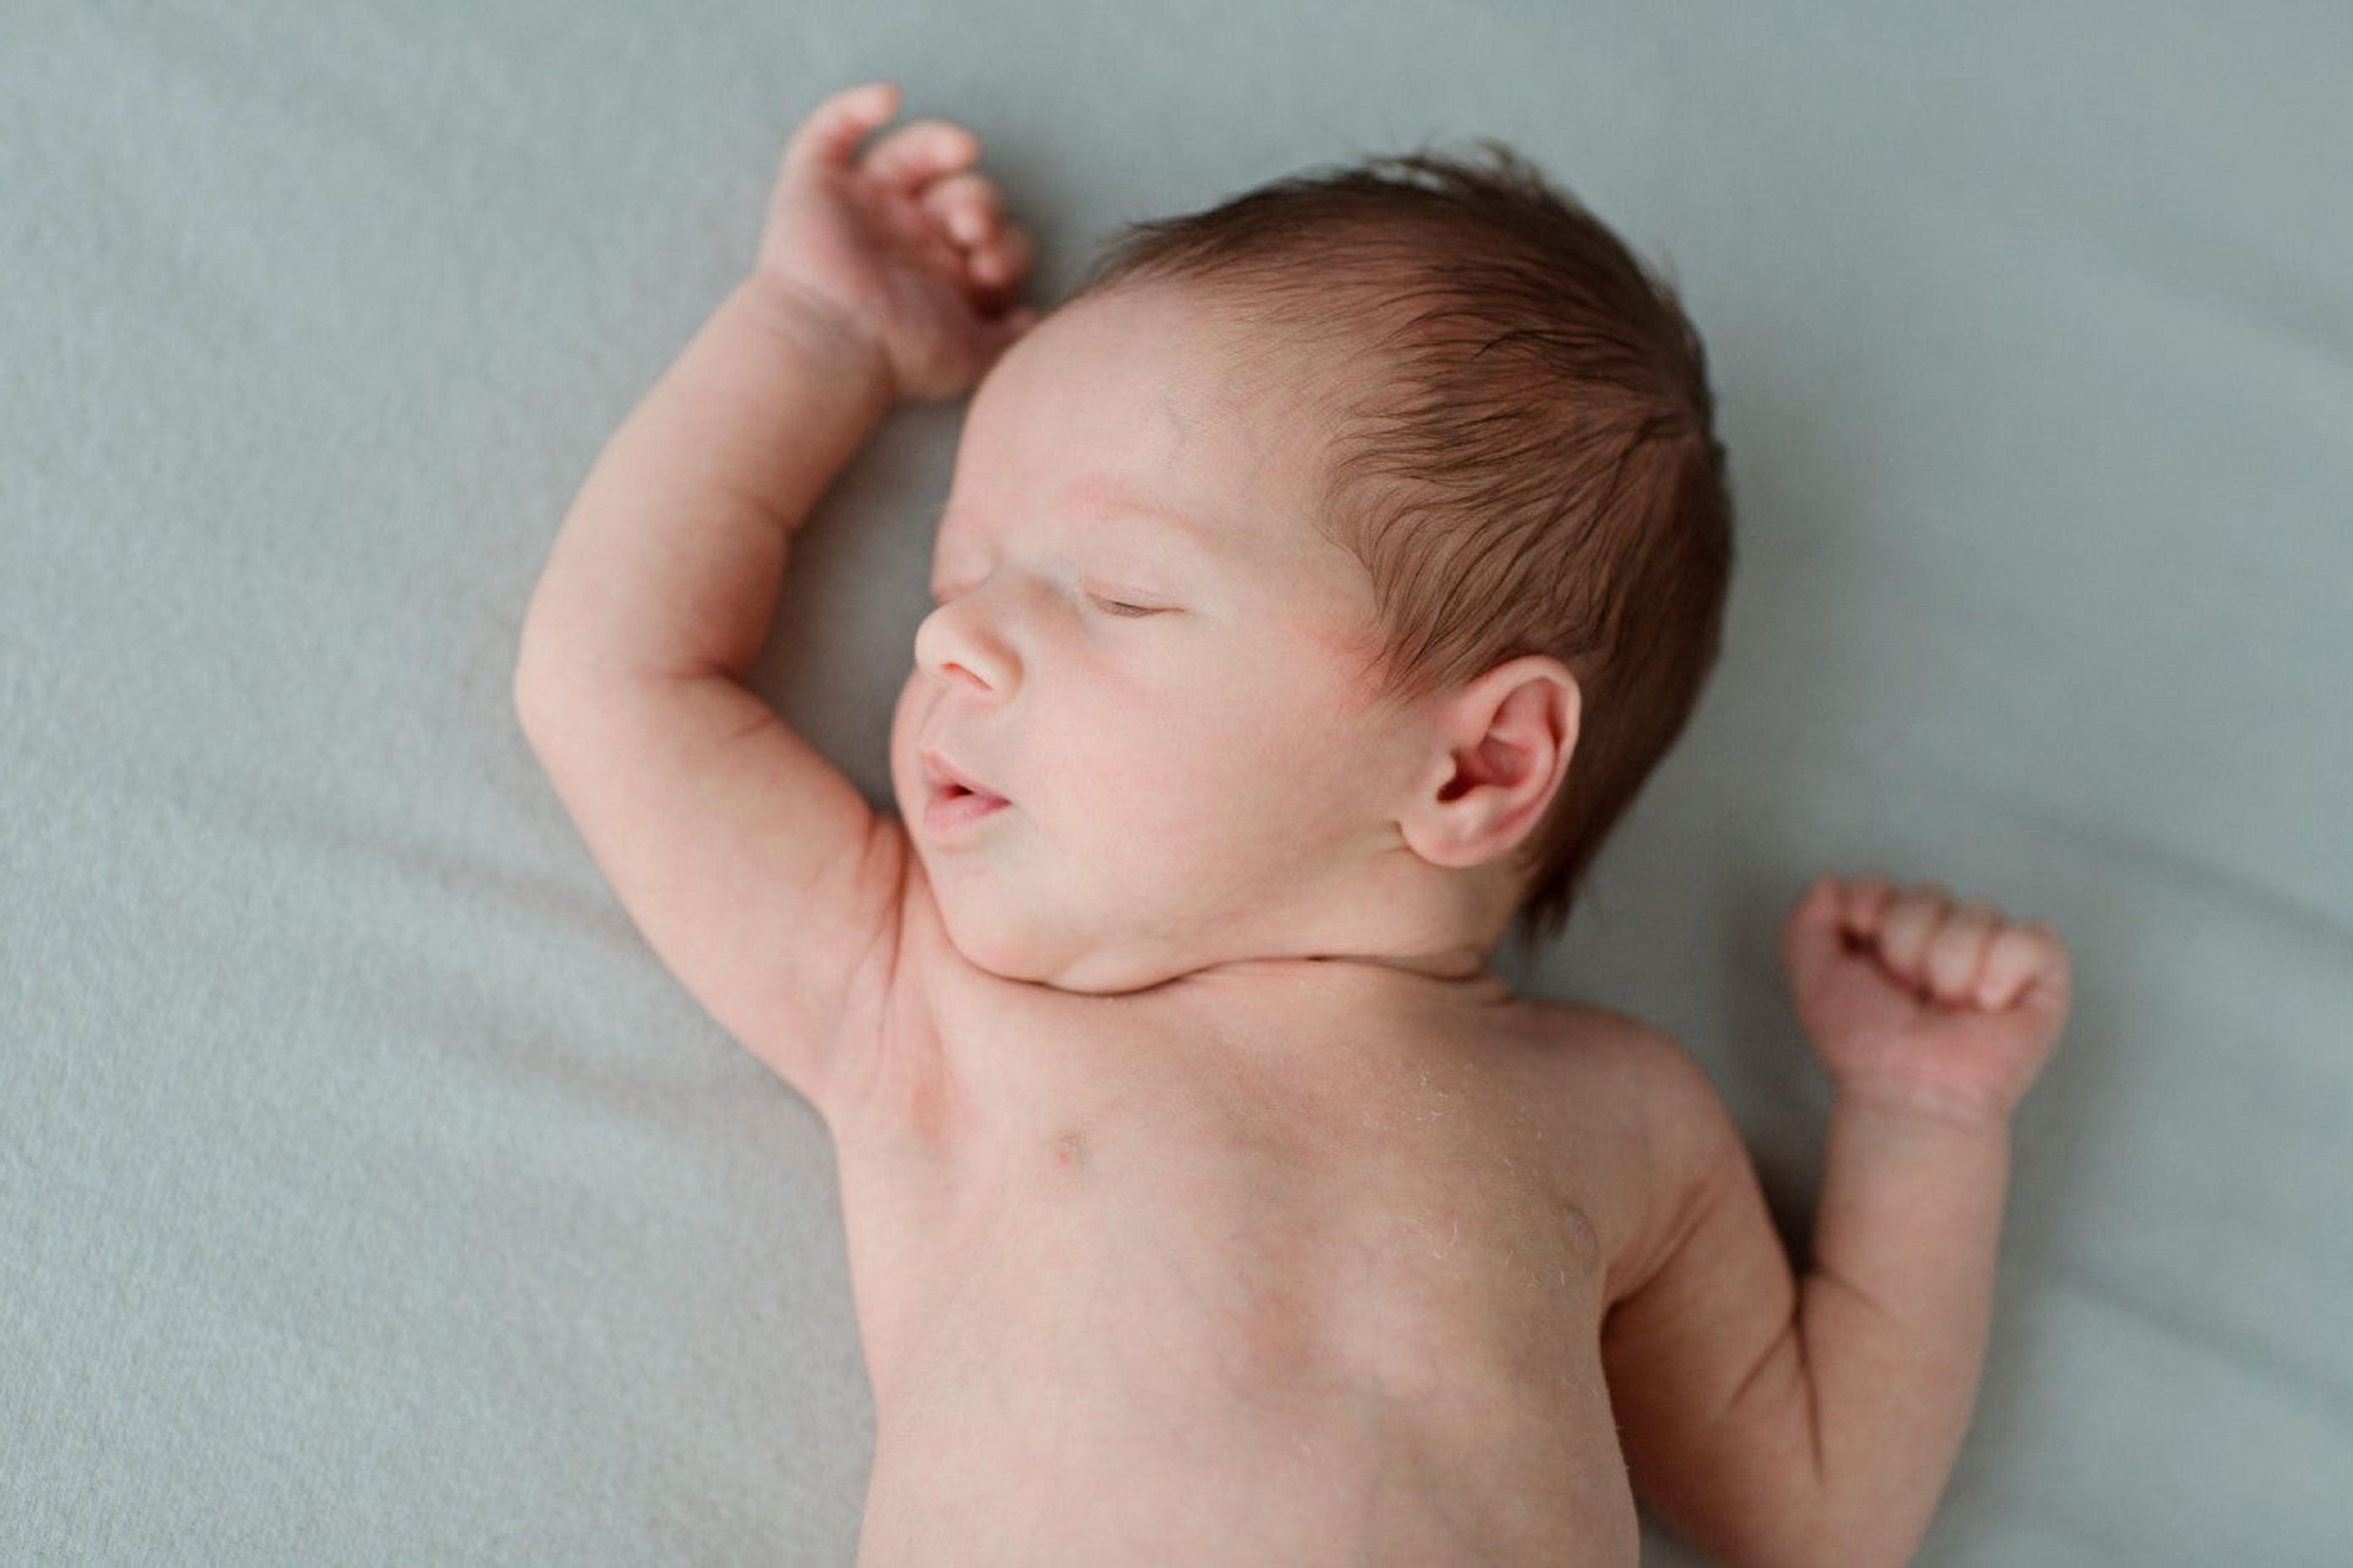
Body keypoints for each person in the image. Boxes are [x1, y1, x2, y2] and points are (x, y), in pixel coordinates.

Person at [513, 80, 2073, 1567]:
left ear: (1477, 767)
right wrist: (817, 336)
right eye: (954, 576)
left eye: (1118, 591)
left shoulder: (1621, 1115)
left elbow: (1815, 1511)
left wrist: (1925, 1124)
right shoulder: (932, 995)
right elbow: (615, 682)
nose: (948, 643)